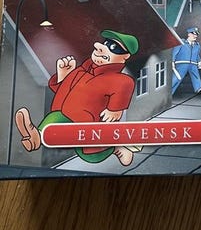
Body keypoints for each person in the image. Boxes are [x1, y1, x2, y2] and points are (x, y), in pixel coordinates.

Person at [15, 29, 139, 166]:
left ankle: (116, 149)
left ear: (125, 56)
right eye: (106, 43)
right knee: (53, 118)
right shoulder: (83, 70)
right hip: (65, 114)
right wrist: (63, 76)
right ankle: (36, 136)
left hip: (88, 124)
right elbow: (66, 90)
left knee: (90, 155)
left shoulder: (119, 79)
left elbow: (125, 87)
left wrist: (115, 110)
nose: (100, 47)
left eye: (113, 47)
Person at [172, 27, 201, 95]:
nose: (195, 36)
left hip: (193, 63)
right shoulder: (182, 42)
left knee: (195, 75)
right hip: (182, 63)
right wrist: (172, 61)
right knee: (177, 77)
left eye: (196, 34)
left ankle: (198, 88)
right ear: (189, 34)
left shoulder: (197, 45)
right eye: (193, 34)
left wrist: (199, 61)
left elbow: (197, 55)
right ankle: (169, 91)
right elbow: (175, 52)